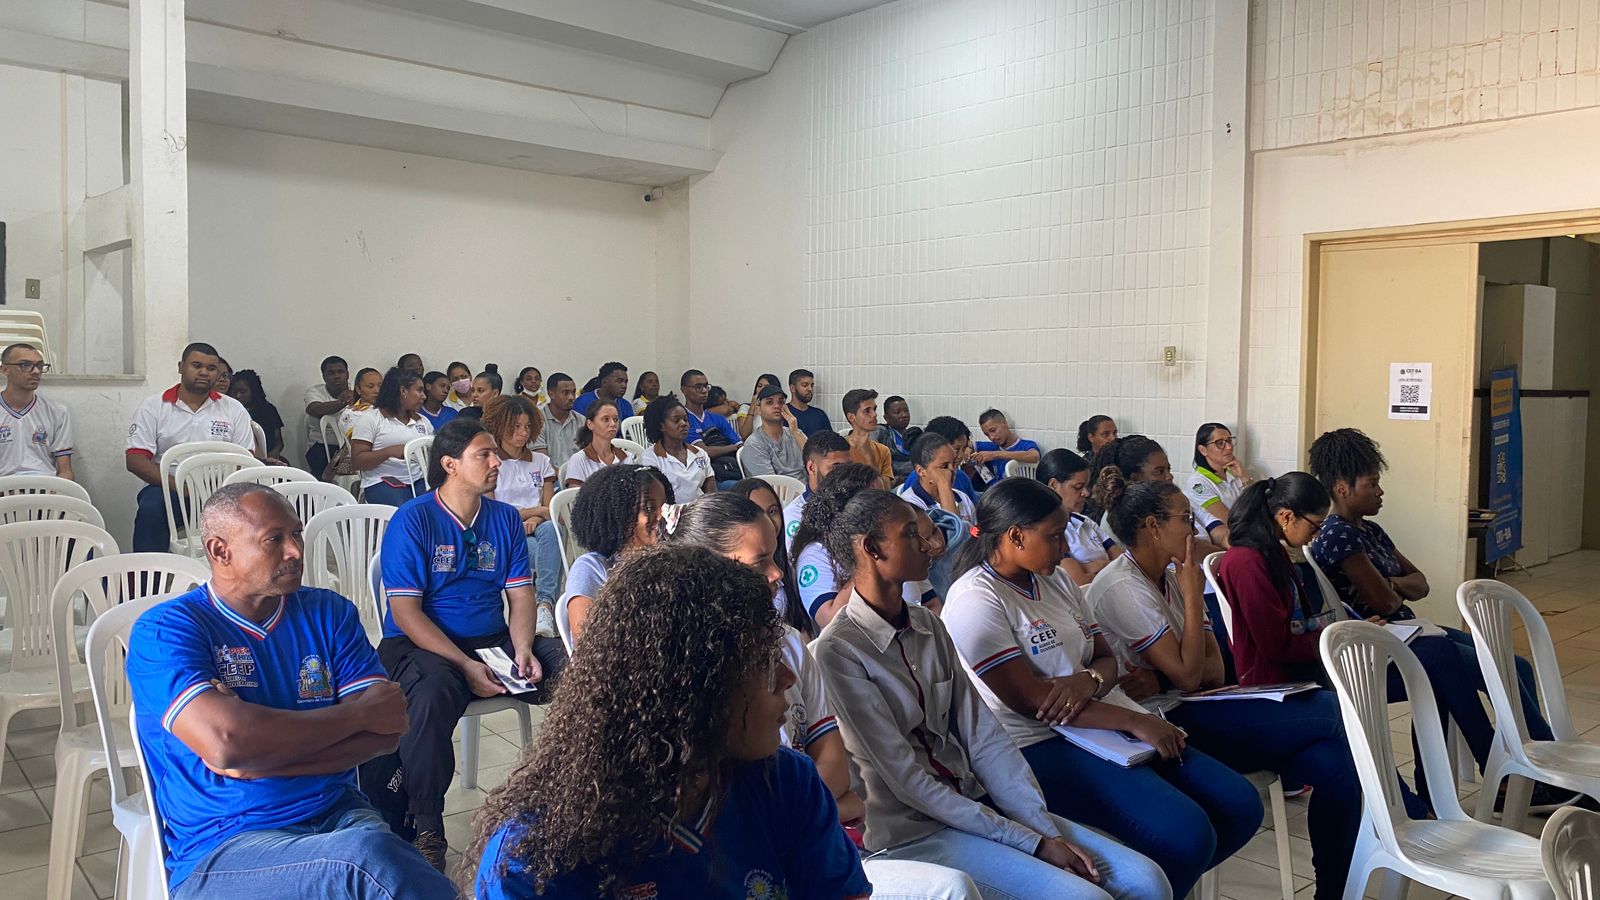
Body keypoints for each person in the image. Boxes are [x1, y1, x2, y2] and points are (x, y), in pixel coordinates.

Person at [811, 489, 1171, 899]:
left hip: (978, 804)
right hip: (916, 832)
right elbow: (908, 781)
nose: (930, 544)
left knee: (1147, 881)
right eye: (911, 534)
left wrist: (1040, 827)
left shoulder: (928, 626)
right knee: (1086, 897)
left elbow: (983, 736)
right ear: (873, 548)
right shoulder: (839, 653)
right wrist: (1030, 842)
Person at [469, 546, 872, 899]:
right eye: (763, 664)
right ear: (697, 685)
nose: (787, 678)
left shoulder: (787, 783)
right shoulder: (535, 858)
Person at [125, 483, 454, 899]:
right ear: (220, 551)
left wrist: (256, 758)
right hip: (226, 846)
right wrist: (356, 715)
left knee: (381, 861)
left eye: (296, 534)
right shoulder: (166, 629)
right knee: (368, 864)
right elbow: (228, 742)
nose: (296, 550)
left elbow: (386, 732)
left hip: (341, 815)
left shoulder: (329, 613)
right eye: (274, 539)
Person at [941, 478, 1258, 897]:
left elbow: (1107, 660)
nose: (1064, 549)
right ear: (1016, 536)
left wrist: (1085, 680)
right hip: (1037, 744)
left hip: (1102, 721)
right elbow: (1034, 703)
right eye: (1054, 537)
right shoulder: (975, 599)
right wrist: (1136, 721)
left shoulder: (1056, 580)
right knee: (1186, 833)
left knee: (1239, 804)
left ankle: (1153, 887)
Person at [1086, 472, 1362, 900]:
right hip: (1159, 721)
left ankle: (1332, 894)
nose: (1194, 529)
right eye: (1184, 518)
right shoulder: (1127, 584)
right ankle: (1404, 810)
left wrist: (1168, 672)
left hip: (1197, 703)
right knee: (1331, 709)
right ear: (1153, 527)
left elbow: (1214, 671)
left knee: (1337, 765)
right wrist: (1192, 598)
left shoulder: (1171, 575)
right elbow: (1187, 676)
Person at [1306, 427, 1568, 808]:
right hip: (1378, 644)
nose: (1380, 491)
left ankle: (1540, 762)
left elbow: (1421, 583)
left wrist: (1392, 584)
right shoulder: (1337, 535)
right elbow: (1385, 603)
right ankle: (1519, 773)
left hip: (1410, 631)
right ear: (1342, 488)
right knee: (1454, 667)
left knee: (1516, 665)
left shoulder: (1371, 531)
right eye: (1372, 484)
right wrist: (1395, 588)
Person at [378, 418, 567, 868]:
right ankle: (426, 824)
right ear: (450, 465)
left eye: (494, 453)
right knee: (432, 694)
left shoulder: (503, 517)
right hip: (421, 643)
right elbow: (406, 612)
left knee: (578, 669)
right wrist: (465, 665)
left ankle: (576, 795)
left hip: (492, 640)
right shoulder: (414, 519)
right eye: (484, 454)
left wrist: (523, 648)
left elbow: (520, 594)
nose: (497, 461)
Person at [126, 342, 258, 552]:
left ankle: (244, 571)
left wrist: (219, 489)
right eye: (197, 366)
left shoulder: (233, 409)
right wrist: (182, 487)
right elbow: (135, 460)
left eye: (211, 368)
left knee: (260, 509)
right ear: (181, 367)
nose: (204, 372)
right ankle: (148, 572)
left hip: (221, 489)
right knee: (150, 509)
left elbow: (246, 459)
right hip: (169, 489)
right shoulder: (154, 407)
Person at [792, 463, 936, 628]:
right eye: (874, 498)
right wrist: (865, 561)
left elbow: (931, 603)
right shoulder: (816, 552)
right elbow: (829, 620)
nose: (886, 504)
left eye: (885, 495)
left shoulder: (897, 546)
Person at [560, 463, 671, 643]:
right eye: (650, 508)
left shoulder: (671, 560)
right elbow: (586, 643)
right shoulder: (592, 568)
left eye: (665, 506)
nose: (662, 515)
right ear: (621, 515)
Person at [482, 395, 563, 639]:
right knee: (547, 551)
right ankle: (544, 607)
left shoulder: (541, 461)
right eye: (516, 426)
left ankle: (544, 605)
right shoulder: (491, 462)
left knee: (552, 530)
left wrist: (536, 518)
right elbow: (493, 511)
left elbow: (550, 509)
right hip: (505, 531)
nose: (523, 433)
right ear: (499, 425)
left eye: (527, 427)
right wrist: (534, 513)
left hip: (540, 528)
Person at [1089, 436, 1228, 548]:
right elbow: (1189, 550)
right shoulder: (1125, 515)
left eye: (1169, 469)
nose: (1169, 477)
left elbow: (1216, 529)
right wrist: (1223, 556)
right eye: (1159, 472)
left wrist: (1228, 543)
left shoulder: (1176, 499)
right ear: (1135, 478)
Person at [727, 478, 811, 638]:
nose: (768, 522)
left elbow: (799, 623)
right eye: (756, 513)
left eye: (772, 511)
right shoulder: (738, 573)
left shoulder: (788, 558)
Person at [1036, 449, 1121, 584]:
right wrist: (1107, 565)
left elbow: (1123, 563)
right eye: (1078, 487)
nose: (1086, 493)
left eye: (1086, 487)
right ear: (1053, 485)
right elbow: (1079, 581)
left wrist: (1091, 567)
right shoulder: (1045, 531)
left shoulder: (1084, 521)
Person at [351, 368, 433, 507]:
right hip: (382, 480)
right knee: (406, 509)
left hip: (418, 478)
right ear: (403, 391)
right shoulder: (371, 419)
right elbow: (357, 462)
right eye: (419, 390)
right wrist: (389, 452)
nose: (424, 397)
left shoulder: (423, 421)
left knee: (436, 505)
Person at [0, 342, 74, 480]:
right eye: (25, 365)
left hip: (44, 487)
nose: (36, 372)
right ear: (5, 369)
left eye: (40, 366)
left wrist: (58, 491)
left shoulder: (57, 412)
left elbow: (65, 471)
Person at [638, 394, 716, 501]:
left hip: (700, 509)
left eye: (685, 419)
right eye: (676, 420)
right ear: (661, 426)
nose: (683, 424)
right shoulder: (650, 458)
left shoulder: (699, 453)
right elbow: (653, 499)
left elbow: (712, 494)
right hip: (669, 510)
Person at [783, 429, 853, 545]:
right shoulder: (795, 516)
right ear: (812, 467)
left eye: (848, 467)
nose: (845, 474)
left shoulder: (854, 504)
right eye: (836, 468)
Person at [896, 433, 977, 522]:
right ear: (921, 471)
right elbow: (953, 529)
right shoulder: (910, 505)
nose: (952, 470)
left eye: (954, 464)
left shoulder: (962, 497)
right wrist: (944, 487)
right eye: (944, 466)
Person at [679, 369, 741, 483]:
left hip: (731, 469)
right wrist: (732, 448)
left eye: (706, 386)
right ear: (684, 390)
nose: (704, 391)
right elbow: (705, 452)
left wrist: (734, 447)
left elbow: (740, 445)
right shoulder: (683, 421)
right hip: (705, 476)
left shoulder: (717, 418)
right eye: (698, 387)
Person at [1185, 423, 1251, 522]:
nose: (1229, 447)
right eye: (1220, 443)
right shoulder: (1197, 482)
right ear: (1203, 450)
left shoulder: (1233, 472)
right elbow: (1229, 520)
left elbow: (1258, 505)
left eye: (1229, 441)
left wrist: (1244, 477)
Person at [741, 383, 807, 479]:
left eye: (781, 402)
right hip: (779, 488)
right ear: (758, 410)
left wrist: (796, 432)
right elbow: (770, 483)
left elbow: (815, 462)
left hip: (807, 486)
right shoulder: (754, 443)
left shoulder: (795, 433)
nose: (777, 406)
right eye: (769, 402)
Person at [303, 355, 353, 475]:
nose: (337, 376)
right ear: (324, 376)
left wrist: (356, 396)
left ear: (347, 374)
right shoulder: (315, 392)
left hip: (353, 445)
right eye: (331, 373)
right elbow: (315, 409)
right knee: (320, 467)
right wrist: (343, 401)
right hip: (322, 446)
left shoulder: (357, 390)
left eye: (340, 372)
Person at [562, 398, 626, 487]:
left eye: (615, 419)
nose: (613, 424)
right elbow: (575, 494)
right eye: (606, 419)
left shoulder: (626, 458)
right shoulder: (579, 460)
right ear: (590, 424)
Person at [228, 369, 288, 462]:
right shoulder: (229, 411)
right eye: (234, 392)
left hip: (268, 457)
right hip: (237, 459)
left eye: (242, 392)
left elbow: (279, 442)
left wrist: (267, 460)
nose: (238, 396)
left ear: (253, 391)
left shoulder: (268, 410)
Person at [921, 415, 984, 500]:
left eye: (964, 449)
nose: (961, 455)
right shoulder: (919, 479)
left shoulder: (961, 477)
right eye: (956, 449)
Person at [973, 409, 1042, 481]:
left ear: (1004, 423)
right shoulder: (992, 446)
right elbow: (969, 444)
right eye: (987, 434)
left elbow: (1035, 456)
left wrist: (996, 455)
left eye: (993, 430)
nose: (991, 437)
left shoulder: (1025, 445)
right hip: (993, 487)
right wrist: (968, 449)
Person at [840, 388, 893, 481]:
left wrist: (869, 457)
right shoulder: (838, 449)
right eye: (867, 411)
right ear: (851, 417)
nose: (874, 414)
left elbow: (884, 489)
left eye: (874, 409)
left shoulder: (883, 450)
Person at [534, 372, 582, 466]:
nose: (571, 397)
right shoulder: (537, 420)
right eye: (565, 393)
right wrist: (562, 474)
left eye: (573, 392)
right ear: (551, 394)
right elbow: (541, 462)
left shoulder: (581, 420)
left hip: (578, 473)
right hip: (548, 473)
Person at [875, 395, 917, 478]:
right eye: (898, 412)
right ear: (886, 418)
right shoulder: (881, 431)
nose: (904, 415)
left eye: (906, 411)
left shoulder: (912, 435)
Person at [786, 368, 831, 436]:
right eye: (805, 385)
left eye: (812, 385)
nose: (810, 389)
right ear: (792, 388)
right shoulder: (785, 413)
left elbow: (830, 440)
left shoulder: (820, 415)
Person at [735, 373, 781, 439]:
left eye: (766, 387)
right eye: (759, 386)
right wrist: (752, 407)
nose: (761, 389)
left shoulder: (778, 408)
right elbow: (745, 435)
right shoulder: (745, 408)